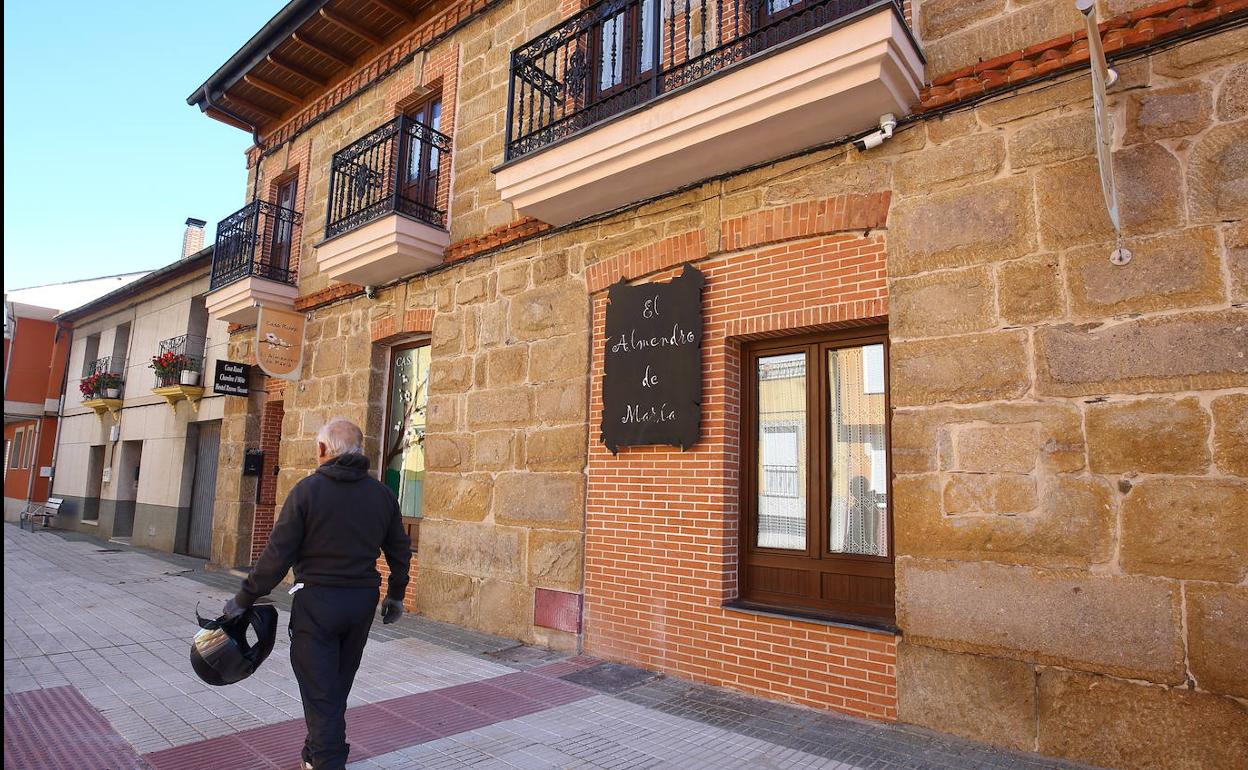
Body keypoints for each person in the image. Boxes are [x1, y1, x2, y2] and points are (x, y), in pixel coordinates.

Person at [223, 418, 412, 770]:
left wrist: (244, 598)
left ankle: (328, 761)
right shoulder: (381, 494)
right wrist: (396, 595)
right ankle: (312, 755)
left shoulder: (307, 491)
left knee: (322, 692)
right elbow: (400, 550)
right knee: (334, 685)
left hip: (318, 605)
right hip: (360, 604)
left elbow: (277, 555)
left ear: (322, 450)